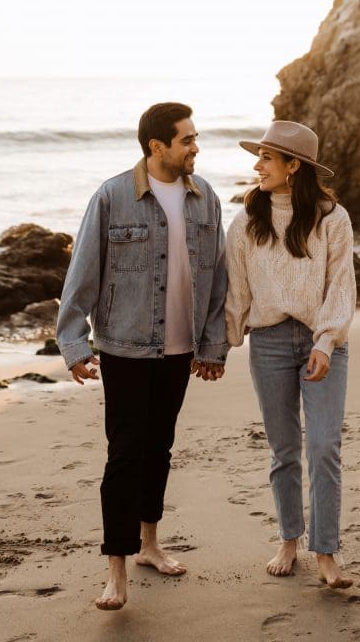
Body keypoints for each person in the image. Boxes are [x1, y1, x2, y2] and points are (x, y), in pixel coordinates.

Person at [56, 101, 227, 612]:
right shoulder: (113, 196)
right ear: (158, 146)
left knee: (160, 449)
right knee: (124, 455)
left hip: (179, 350)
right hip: (125, 348)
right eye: (187, 139)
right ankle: (116, 569)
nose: (196, 147)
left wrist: (212, 345)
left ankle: (150, 546)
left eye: (196, 138)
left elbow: (218, 280)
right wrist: (73, 344)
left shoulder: (205, 198)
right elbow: (83, 272)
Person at [225, 120, 356, 590]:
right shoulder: (244, 222)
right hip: (270, 345)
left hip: (323, 344)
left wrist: (325, 341)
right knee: (284, 451)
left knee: (324, 449)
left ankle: (325, 551)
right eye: (258, 157)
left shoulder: (332, 219)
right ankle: (288, 538)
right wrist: (220, 346)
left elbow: (341, 286)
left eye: (266, 158)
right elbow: (236, 293)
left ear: (293, 165)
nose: (257, 166)